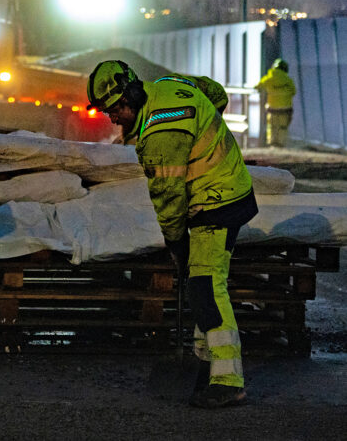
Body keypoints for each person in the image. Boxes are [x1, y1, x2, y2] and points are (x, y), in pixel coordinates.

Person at [88, 60, 258, 408]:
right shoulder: (167, 84)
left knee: (207, 285)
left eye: (114, 110)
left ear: (128, 98)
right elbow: (215, 93)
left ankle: (229, 381)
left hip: (216, 199)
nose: (113, 119)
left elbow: (169, 200)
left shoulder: (159, 136)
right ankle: (206, 364)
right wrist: (205, 135)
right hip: (227, 188)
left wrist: (176, 244)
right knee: (201, 283)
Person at [256, 58, 296, 147]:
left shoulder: (269, 78)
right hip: (286, 109)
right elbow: (294, 91)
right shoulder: (288, 80)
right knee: (282, 127)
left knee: (272, 127)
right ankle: (281, 145)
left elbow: (258, 86)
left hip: (272, 109)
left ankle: (273, 145)